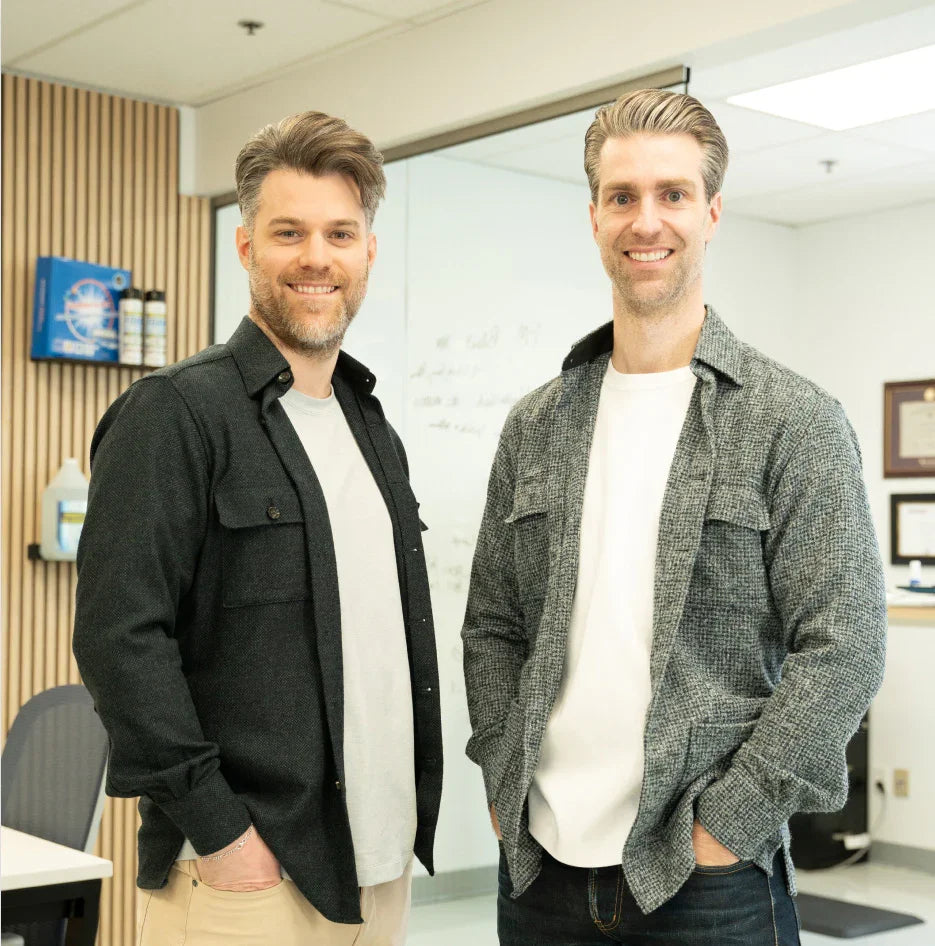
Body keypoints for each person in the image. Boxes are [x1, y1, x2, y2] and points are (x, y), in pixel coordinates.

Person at [461, 88, 886, 945]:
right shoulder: (536, 425)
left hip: (707, 883)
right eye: (621, 196)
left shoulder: (792, 421)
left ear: (711, 212)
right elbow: (493, 625)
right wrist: (503, 779)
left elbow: (844, 647)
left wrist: (729, 824)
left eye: (672, 194)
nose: (645, 221)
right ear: (593, 217)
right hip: (539, 870)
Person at [73, 111, 442, 946]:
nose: (316, 257)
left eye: (339, 234)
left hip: (378, 870)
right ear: (245, 247)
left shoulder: (371, 427)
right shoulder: (174, 413)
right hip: (248, 882)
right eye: (288, 232)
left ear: (368, 252)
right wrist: (222, 833)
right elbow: (118, 637)